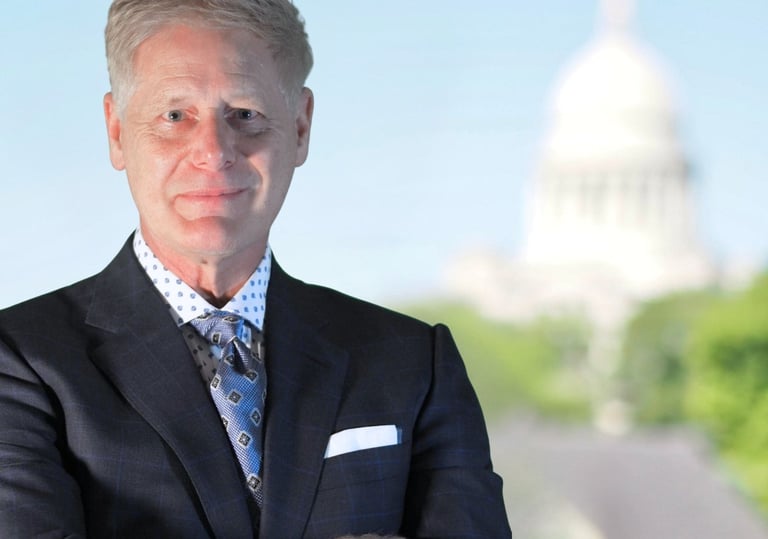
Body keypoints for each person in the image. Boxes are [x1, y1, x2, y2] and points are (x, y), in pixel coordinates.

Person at [0, 1, 511, 537]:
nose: (214, 151)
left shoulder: (414, 362)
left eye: (244, 115)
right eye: (175, 116)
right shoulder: (22, 363)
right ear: (117, 131)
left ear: (300, 127)